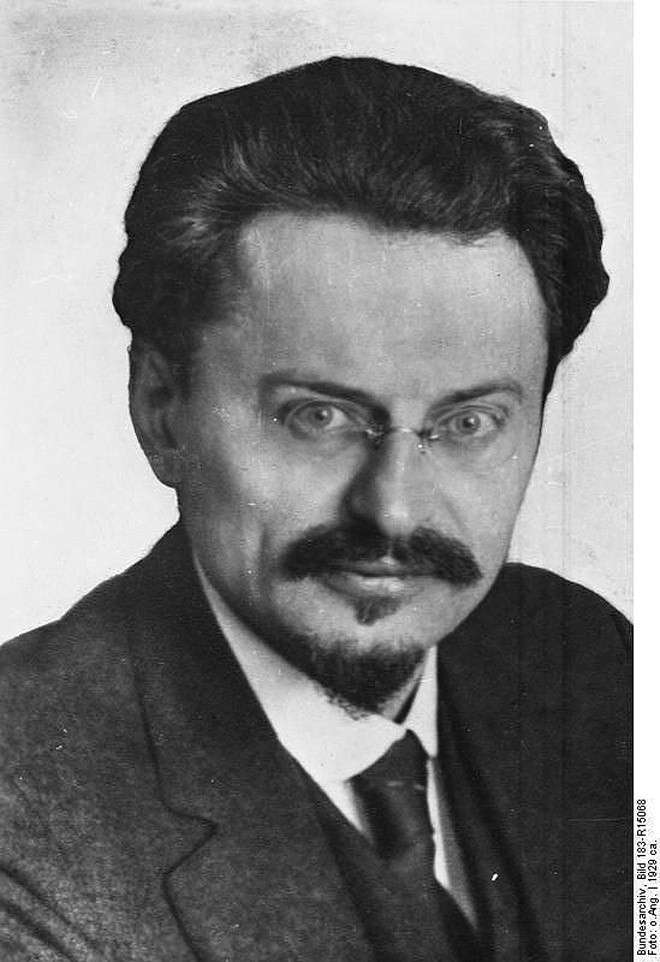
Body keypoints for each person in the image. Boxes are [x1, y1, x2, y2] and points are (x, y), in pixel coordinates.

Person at [0, 56, 631, 962]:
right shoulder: (22, 804)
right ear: (161, 411)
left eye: (468, 422)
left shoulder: (586, 660)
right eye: (320, 417)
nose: (394, 510)